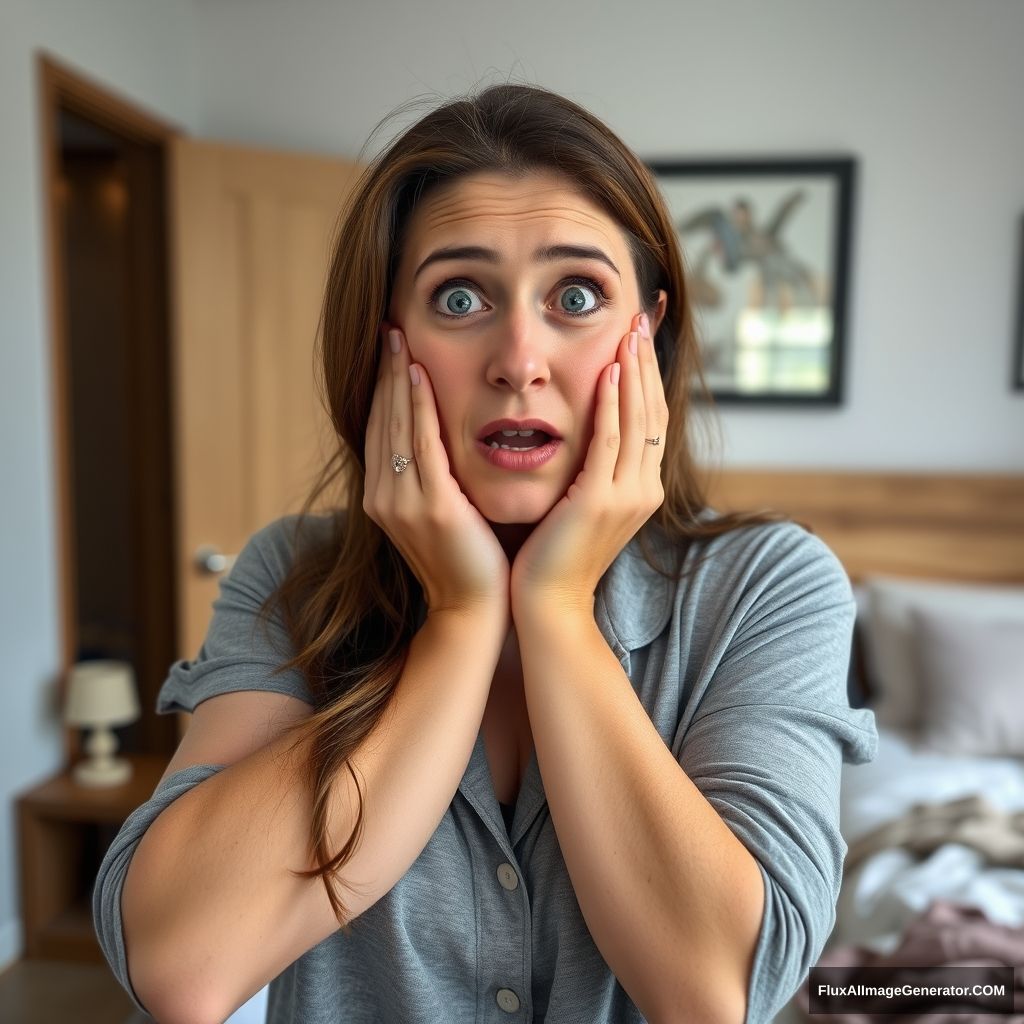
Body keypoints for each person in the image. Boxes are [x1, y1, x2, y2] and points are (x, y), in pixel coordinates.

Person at [93, 82, 877, 1024]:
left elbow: (714, 993)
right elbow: (180, 962)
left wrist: (554, 609)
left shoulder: (769, 586)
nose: (519, 357)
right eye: (458, 296)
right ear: (386, 343)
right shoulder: (291, 575)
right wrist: (463, 620)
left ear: (651, 336)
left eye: (576, 295)